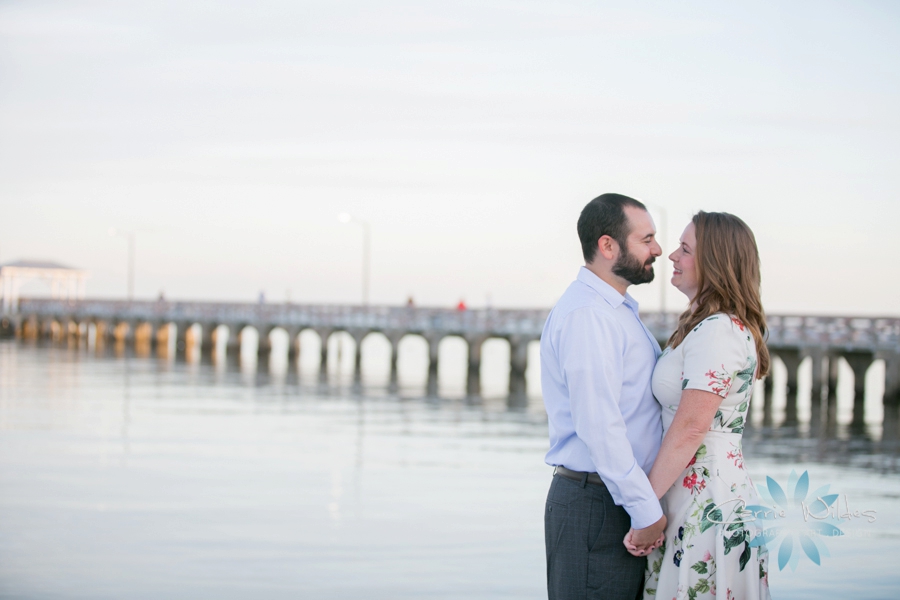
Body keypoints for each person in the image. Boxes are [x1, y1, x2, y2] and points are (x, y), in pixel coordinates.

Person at [633, 212, 771, 599]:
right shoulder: (706, 325)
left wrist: (643, 507)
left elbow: (692, 427)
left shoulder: (719, 331)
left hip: (706, 499)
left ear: (716, 262)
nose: (672, 255)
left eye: (686, 249)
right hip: (692, 489)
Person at [541, 193, 667, 600]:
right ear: (607, 245)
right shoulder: (589, 315)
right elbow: (599, 426)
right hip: (596, 503)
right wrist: (646, 512)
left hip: (612, 499)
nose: (657, 250)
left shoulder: (614, 309)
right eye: (646, 239)